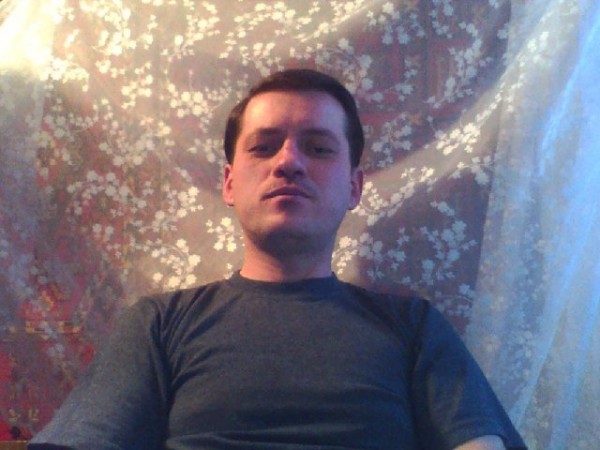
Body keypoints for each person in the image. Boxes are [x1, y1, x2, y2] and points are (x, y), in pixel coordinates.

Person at [28, 69, 527, 450]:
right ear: (229, 184)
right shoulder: (158, 324)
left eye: (319, 148)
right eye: (264, 147)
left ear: (354, 187)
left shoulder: (414, 327)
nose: (288, 162)